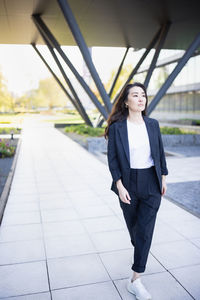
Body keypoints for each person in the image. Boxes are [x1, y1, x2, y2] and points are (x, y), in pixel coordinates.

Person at [105, 82, 168, 300]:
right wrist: (120, 185)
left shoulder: (153, 124)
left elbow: (159, 152)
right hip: (128, 183)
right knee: (135, 230)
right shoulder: (117, 128)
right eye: (135, 95)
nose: (141, 99)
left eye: (143, 95)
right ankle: (139, 249)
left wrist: (163, 177)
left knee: (144, 231)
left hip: (151, 181)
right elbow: (112, 159)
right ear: (126, 101)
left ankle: (136, 280)